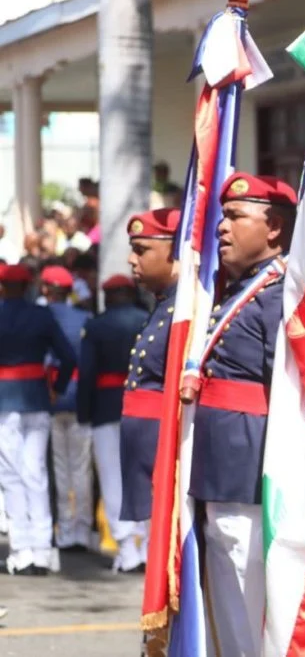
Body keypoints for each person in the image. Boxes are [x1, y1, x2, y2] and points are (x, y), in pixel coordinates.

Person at [188, 172, 295, 656]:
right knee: (227, 613)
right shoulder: (237, 290)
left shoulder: (278, 295)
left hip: (248, 475)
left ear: (274, 227)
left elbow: (288, 396)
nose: (222, 229)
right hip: (220, 472)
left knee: (249, 613)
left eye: (234, 217)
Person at [0, 263, 76, 575]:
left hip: (5, 399)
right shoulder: (43, 315)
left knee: (11, 475)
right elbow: (68, 357)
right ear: (29, 285)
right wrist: (56, 388)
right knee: (36, 473)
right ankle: (43, 550)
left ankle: (22, 550)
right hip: (38, 398)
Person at [77, 274, 149, 572]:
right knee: (143, 476)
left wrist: (84, 412)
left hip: (106, 407)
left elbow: (88, 373)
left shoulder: (96, 326)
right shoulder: (147, 319)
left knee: (112, 477)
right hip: (142, 405)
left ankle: (125, 547)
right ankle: (145, 545)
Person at [119, 209, 181, 539]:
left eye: (142, 250)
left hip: (162, 444)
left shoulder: (183, 310)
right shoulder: (162, 306)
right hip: (145, 442)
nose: (131, 259)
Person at [40, 265, 93, 552]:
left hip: (50, 396)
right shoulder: (84, 317)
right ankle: (82, 531)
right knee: (81, 468)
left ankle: (66, 528)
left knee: (60, 469)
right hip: (80, 398)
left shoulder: (40, 317)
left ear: (46, 289)